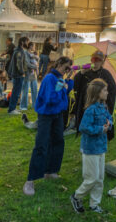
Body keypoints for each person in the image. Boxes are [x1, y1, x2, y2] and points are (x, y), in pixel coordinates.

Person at [23, 57, 75, 196]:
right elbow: (50, 99)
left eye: (69, 68)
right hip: (46, 115)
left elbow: (66, 92)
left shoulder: (60, 78)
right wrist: (62, 88)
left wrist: (68, 81)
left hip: (58, 114)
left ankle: (51, 171)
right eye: (66, 67)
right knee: (41, 145)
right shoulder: (49, 78)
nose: (67, 70)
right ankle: (30, 180)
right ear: (59, 64)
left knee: (58, 141)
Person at [70, 78, 112, 215]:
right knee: (92, 178)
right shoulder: (90, 110)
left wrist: (109, 123)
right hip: (90, 149)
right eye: (105, 90)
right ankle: (76, 196)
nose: (107, 92)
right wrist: (100, 129)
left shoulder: (103, 107)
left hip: (101, 147)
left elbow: (109, 118)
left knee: (100, 179)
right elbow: (84, 127)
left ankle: (94, 204)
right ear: (97, 92)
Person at [73, 50, 116, 140]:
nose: (95, 62)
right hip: (86, 106)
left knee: (98, 128)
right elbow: (75, 85)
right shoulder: (85, 73)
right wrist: (81, 73)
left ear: (102, 62)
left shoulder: (106, 74)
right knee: (87, 127)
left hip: (99, 108)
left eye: (98, 60)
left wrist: (106, 103)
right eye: (93, 59)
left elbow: (112, 91)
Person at [7, 37, 31, 115]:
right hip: (18, 75)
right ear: (22, 42)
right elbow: (19, 64)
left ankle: (13, 108)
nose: (28, 43)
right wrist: (22, 72)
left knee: (16, 92)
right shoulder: (19, 51)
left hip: (17, 74)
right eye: (27, 42)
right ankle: (11, 110)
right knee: (16, 92)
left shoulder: (18, 50)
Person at [20, 43, 40, 112]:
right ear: (31, 46)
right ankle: (23, 106)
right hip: (27, 73)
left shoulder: (32, 54)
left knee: (34, 89)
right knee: (25, 89)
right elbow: (27, 64)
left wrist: (37, 59)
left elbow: (36, 61)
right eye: (34, 46)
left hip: (33, 73)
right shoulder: (25, 53)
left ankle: (35, 105)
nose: (35, 47)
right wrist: (35, 67)